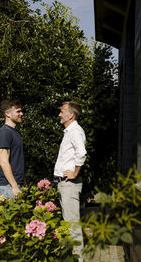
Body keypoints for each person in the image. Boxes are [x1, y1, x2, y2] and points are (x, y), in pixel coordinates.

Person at [54, 101, 87, 260]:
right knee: (69, 223)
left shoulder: (75, 131)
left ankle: (79, 259)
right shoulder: (69, 131)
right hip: (64, 183)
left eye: (62, 112)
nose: (59, 114)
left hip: (69, 184)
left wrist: (74, 172)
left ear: (70, 115)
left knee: (72, 225)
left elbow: (81, 153)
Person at [0, 99, 25, 199]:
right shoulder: (5, 132)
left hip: (14, 185)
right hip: (8, 186)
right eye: (18, 111)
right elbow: (3, 162)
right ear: (7, 114)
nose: (21, 114)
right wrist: (15, 186)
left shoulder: (14, 132)